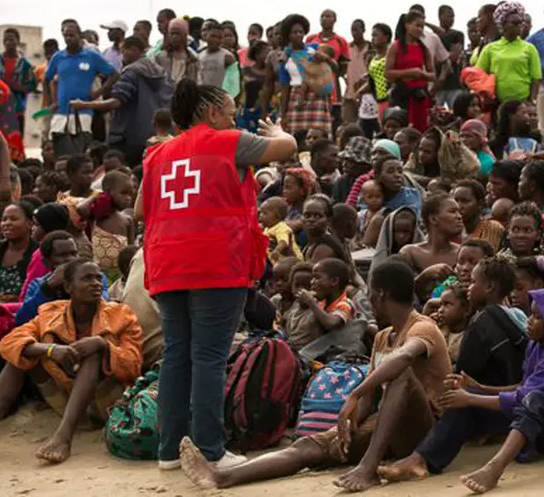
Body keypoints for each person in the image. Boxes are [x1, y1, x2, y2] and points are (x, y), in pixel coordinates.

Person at [180, 259, 450, 492]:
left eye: (370, 293)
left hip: (427, 435)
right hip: (388, 427)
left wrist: (353, 395)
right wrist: (349, 425)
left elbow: (402, 359)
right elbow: (371, 396)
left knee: (400, 373)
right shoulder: (381, 337)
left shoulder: (423, 327)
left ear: (380, 295)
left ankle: (367, 467)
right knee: (310, 446)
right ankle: (222, 477)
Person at [141, 78, 297, 470]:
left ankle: (169, 451)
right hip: (215, 261)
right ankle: (210, 449)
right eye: (229, 112)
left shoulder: (157, 154)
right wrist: (279, 131)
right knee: (209, 356)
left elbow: (143, 210)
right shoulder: (230, 141)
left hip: (166, 263)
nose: (234, 118)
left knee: (177, 355)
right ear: (211, 113)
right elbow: (289, 147)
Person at [379, 286, 544, 494]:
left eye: (538, 317)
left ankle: (493, 469)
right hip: (535, 417)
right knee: (465, 403)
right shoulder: (538, 345)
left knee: (512, 401)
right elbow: (523, 387)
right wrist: (480, 389)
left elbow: (527, 398)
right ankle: (421, 460)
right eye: (531, 313)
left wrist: (471, 398)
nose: (529, 320)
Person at [0, 258, 142, 464]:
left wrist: (102, 345)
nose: (96, 283)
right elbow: (9, 342)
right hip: (66, 401)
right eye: (87, 278)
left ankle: (62, 438)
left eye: (99, 278)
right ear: (68, 287)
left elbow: (134, 365)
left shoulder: (121, 315)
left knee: (93, 353)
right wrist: (50, 350)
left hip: (107, 405)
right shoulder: (50, 313)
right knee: (19, 357)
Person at [69, 36, 173, 167]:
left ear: (134, 50)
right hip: (154, 135)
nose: (122, 56)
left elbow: (116, 102)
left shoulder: (131, 72)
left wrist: (83, 105)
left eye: (124, 52)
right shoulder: (161, 72)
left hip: (128, 137)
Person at [44, 20, 118, 156]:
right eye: (66, 36)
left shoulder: (91, 56)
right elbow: (47, 79)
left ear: (79, 35)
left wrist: (97, 93)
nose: (68, 39)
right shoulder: (58, 57)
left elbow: (114, 74)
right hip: (62, 113)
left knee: (81, 151)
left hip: (84, 111)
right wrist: (51, 102)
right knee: (58, 150)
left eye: (72, 35)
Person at [16, 230, 110, 325]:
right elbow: (22, 319)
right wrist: (48, 286)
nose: (70, 259)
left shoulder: (95, 277)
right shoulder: (38, 284)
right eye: (62, 255)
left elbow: (103, 305)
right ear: (46, 262)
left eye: (74, 253)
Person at [478, 1, 542, 105]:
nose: (519, 26)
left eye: (521, 22)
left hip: (522, 104)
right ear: (502, 25)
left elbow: (536, 78)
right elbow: (479, 75)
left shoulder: (530, 48)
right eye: (514, 23)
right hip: (497, 104)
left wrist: (532, 100)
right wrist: (486, 97)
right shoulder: (490, 49)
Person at [285, 258, 356, 349]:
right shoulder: (322, 302)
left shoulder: (345, 304)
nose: (312, 282)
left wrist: (311, 302)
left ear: (334, 281)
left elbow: (331, 323)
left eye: (317, 278)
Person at [385, 11, 435, 132]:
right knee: (402, 129)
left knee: (420, 130)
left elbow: (433, 75)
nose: (420, 29)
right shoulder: (396, 46)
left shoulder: (424, 49)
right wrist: (409, 73)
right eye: (417, 25)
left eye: (422, 27)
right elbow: (387, 73)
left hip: (420, 97)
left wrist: (422, 74)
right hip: (402, 95)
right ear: (407, 25)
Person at [0, 27, 36, 161]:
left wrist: (11, 85)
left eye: (11, 39)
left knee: (15, 144)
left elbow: (31, 87)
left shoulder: (25, 65)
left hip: (16, 110)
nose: (8, 43)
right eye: (5, 40)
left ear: (18, 41)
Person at [400, 193, 463, 272]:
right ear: (433, 219)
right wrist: (425, 276)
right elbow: (402, 284)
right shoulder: (409, 253)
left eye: (459, 212)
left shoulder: (462, 254)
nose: (459, 216)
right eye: (452, 211)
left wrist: (445, 283)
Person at [306, 9, 351, 111]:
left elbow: (343, 67)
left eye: (328, 16)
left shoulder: (341, 41)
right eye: (322, 16)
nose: (324, 19)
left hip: (331, 84)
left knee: (331, 112)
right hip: (311, 81)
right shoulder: (311, 38)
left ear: (334, 20)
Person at [0, 201, 37, 302]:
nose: (7, 223)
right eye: (4, 219)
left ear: (29, 224)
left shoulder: (38, 254)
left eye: (14, 219)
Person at [453, 179, 504, 252]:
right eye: (455, 201)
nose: (458, 206)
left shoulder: (492, 228)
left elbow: (486, 259)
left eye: (465, 201)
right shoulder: (452, 229)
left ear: (480, 204)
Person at [433, 5, 466, 108]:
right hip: (436, 84)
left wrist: (438, 60)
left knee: (457, 113)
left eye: (453, 17)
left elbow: (454, 57)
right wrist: (447, 56)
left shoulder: (458, 34)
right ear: (440, 16)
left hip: (454, 83)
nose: (451, 19)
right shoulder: (433, 36)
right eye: (448, 16)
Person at [343, 19, 371, 124]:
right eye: (352, 30)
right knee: (348, 125)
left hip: (367, 94)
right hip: (350, 94)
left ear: (363, 30)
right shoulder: (347, 48)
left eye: (356, 30)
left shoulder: (371, 48)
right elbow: (341, 69)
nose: (354, 33)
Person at [197, 22, 236, 89]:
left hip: (219, 96)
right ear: (206, 36)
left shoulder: (227, 57)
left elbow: (234, 84)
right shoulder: (199, 56)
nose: (216, 40)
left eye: (220, 37)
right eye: (213, 36)